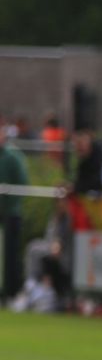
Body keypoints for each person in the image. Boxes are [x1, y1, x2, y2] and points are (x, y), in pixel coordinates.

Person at [0, 114, 29, 302]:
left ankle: (11, 292)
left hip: (10, 213)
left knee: (10, 254)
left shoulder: (12, 156)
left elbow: (22, 183)